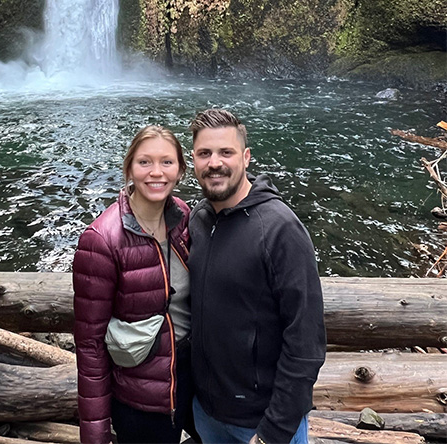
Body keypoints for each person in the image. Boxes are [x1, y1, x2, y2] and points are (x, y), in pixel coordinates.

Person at [188, 109, 326, 444]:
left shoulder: (280, 229)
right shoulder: (198, 219)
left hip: (260, 424)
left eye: (226, 152)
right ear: (192, 159)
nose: (214, 163)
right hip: (207, 414)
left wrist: (273, 432)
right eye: (204, 153)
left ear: (246, 158)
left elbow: (306, 343)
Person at [73, 125, 196, 444]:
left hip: (191, 378)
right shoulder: (101, 240)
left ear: (181, 170)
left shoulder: (181, 215)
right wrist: (95, 433)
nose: (157, 172)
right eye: (145, 162)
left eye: (167, 162)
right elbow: (89, 345)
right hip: (141, 398)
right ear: (129, 168)